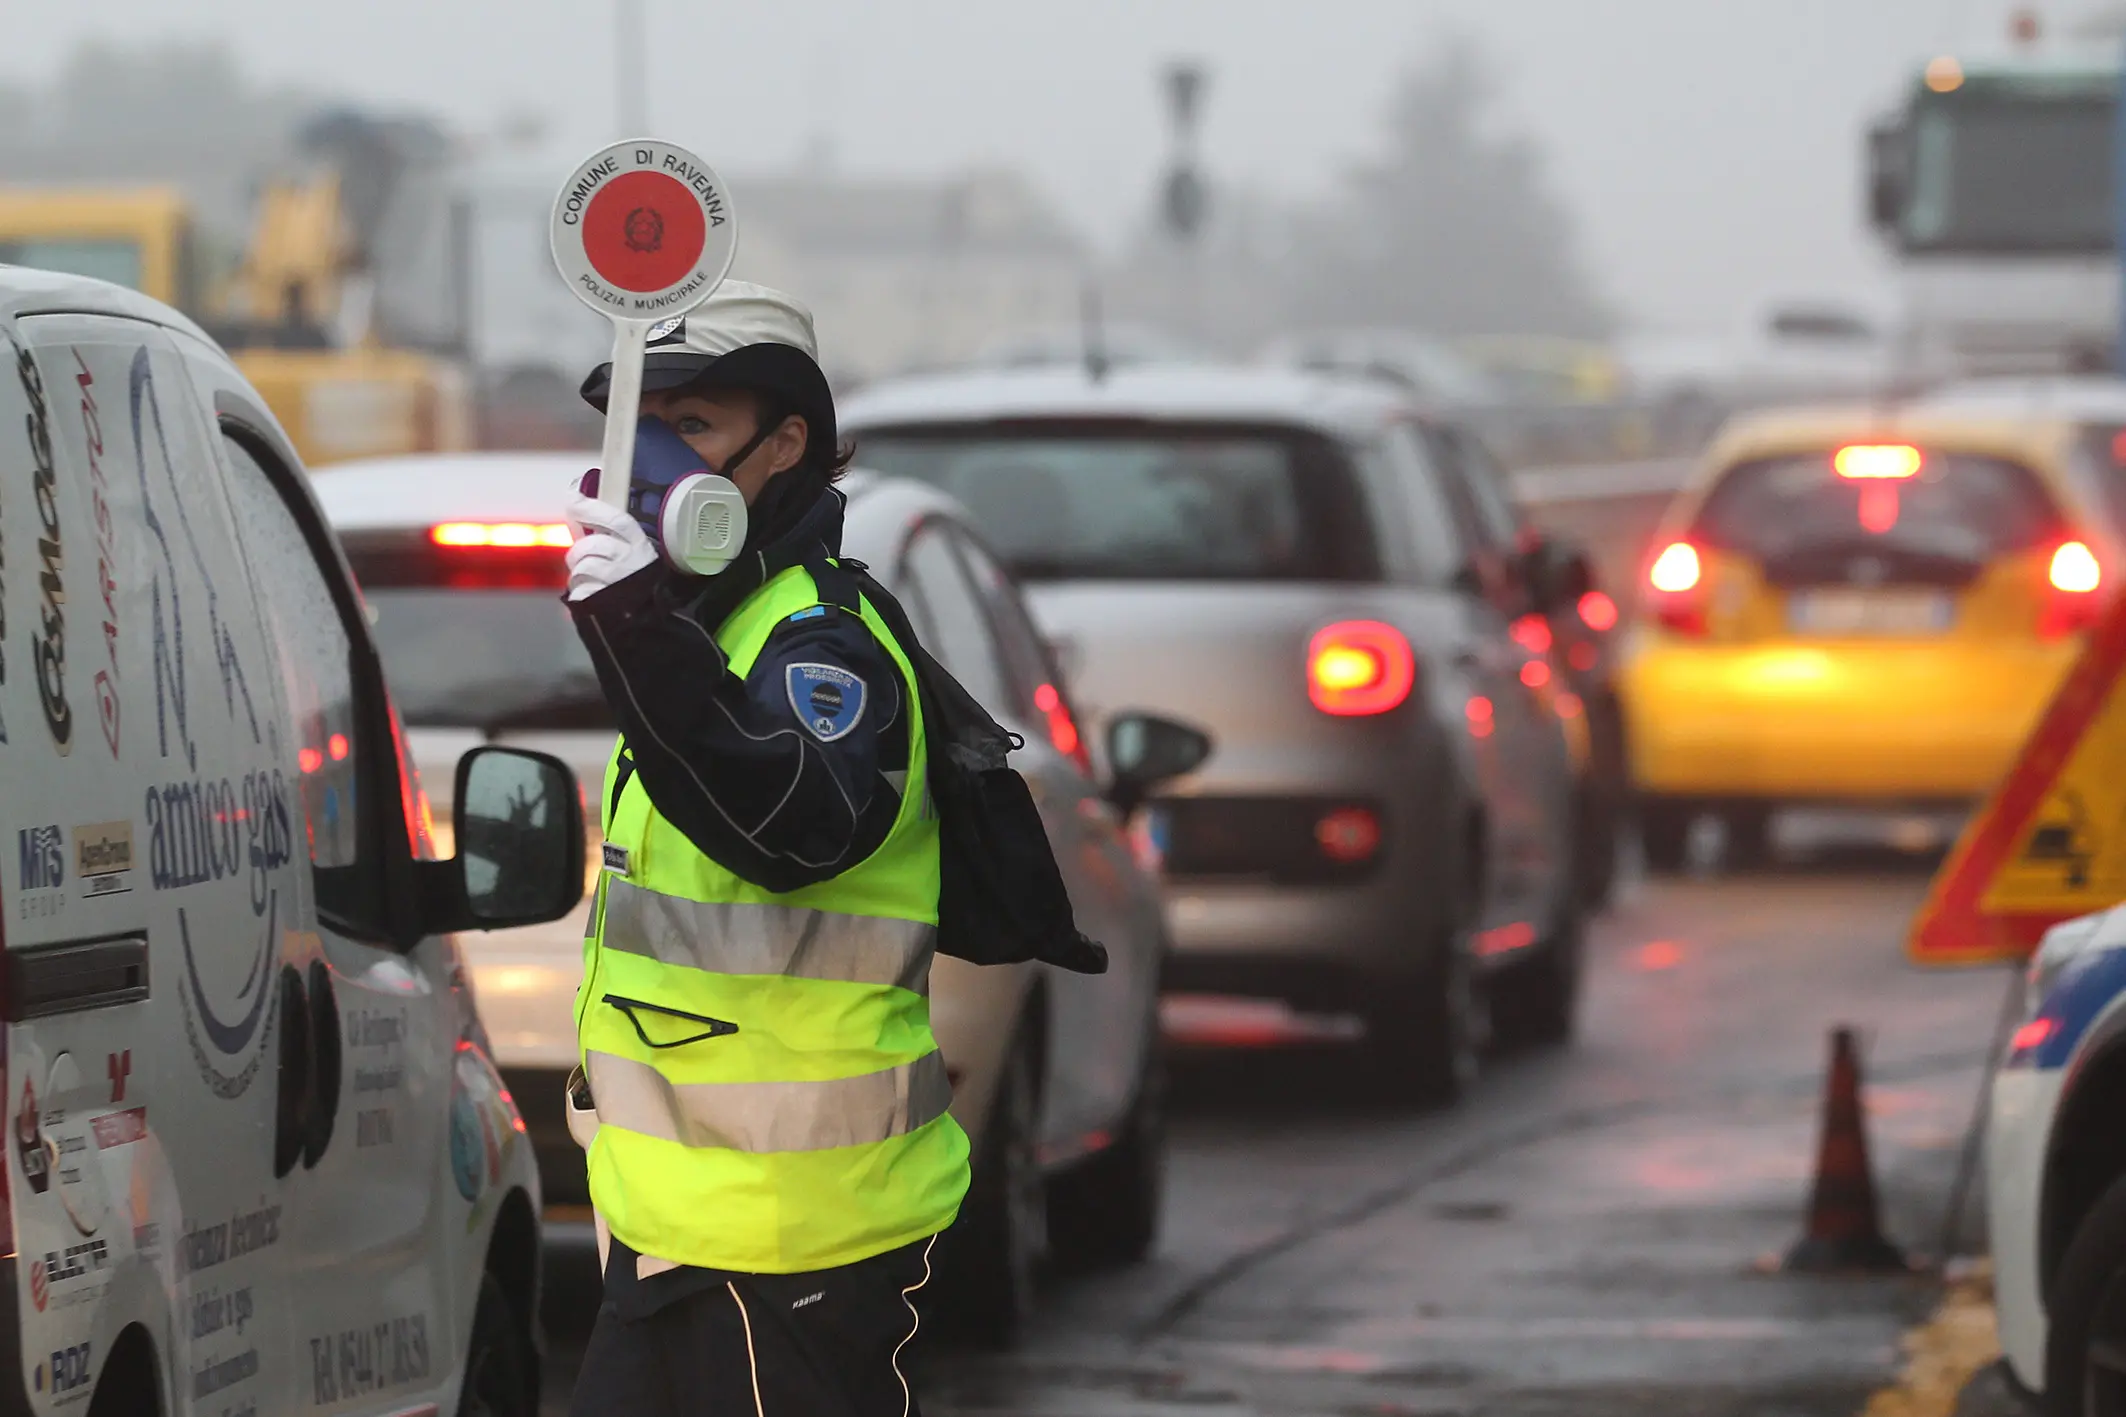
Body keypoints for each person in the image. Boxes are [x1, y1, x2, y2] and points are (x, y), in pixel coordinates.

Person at [562, 282, 965, 1417]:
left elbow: (786, 829)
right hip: (680, 1227)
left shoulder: (816, 642)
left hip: (790, 1245)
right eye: (637, 422)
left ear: (784, 444)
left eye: (689, 426)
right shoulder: (717, 630)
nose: (647, 456)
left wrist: (638, 628)